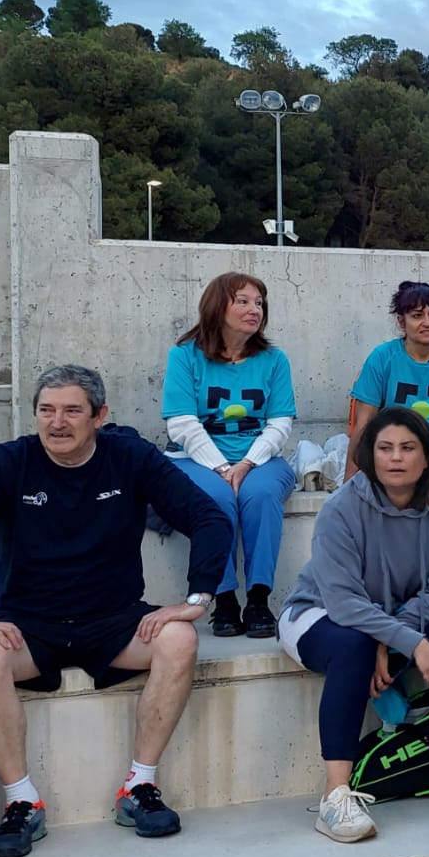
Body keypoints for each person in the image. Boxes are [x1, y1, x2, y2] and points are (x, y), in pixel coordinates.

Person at [0, 365, 232, 857]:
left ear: (99, 415)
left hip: (114, 619)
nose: (57, 423)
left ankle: (140, 786)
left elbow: (207, 517)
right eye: (46, 410)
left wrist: (196, 600)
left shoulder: (131, 457)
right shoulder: (9, 461)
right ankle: (21, 801)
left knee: (179, 640)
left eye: (72, 411)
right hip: (28, 625)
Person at [280, 407, 429, 844]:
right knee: (354, 644)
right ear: (370, 455)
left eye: (408, 448)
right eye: (385, 448)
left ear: (427, 457)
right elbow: (343, 603)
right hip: (318, 613)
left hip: (397, 613)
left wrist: (393, 637)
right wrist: (406, 642)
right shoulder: (341, 508)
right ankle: (335, 796)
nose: (395, 457)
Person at [162, 270, 299, 639]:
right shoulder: (184, 356)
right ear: (217, 306)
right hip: (195, 459)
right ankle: (223, 599)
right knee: (216, 497)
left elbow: (280, 424)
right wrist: (224, 467)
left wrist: (247, 464)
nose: (254, 309)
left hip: (260, 459)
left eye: (259, 303)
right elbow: (182, 425)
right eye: (243, 301)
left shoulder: (274, 359)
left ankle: (258, 599)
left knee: (262, 494)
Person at [346, 280, 429, 492]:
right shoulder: (382, 357)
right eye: (417, 316)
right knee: (378, 491)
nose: (427, 322)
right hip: (390, 447)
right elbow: (364, 422)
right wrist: (350, 477)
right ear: (401, 321)